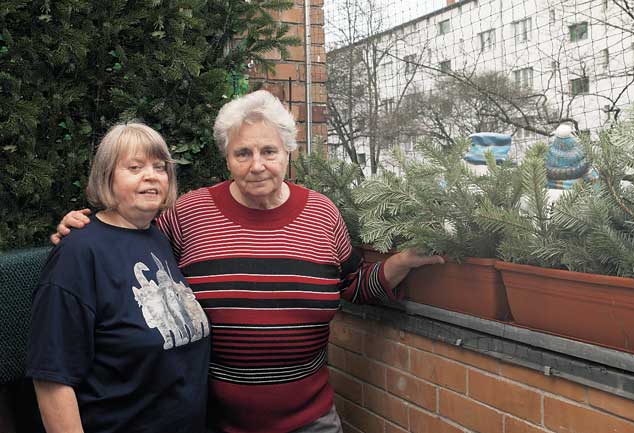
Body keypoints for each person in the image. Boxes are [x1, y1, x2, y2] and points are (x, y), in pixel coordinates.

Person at [53, 91, 445, 433]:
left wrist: (403, 262)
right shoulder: (188, 214)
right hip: (213, 420)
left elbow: (354, 285)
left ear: (288, 153)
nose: (257, 164)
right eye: (243, 153)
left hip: (310, 420)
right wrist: (82, 225)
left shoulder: (322, 214)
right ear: (227, 158)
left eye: (269, 151)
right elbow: (129, 240)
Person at [29, 123, 210, 433]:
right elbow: (51, 378)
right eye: (135, 167)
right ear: (106, 177)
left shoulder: (155, 237)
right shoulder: (78, 253)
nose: (151, 175)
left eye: (159, 167)